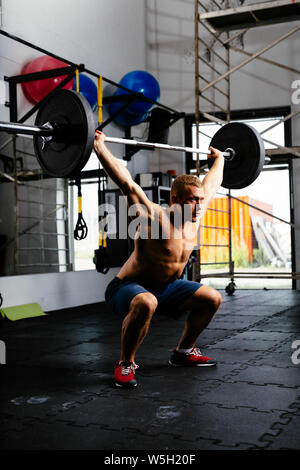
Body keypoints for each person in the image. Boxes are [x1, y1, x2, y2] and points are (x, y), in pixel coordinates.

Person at [94, 130, 224, 388]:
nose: (199, 207)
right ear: (174, 199)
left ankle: (184, 352)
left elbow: (212, 183)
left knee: (212, 298)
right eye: (192, 201)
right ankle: (125, 364)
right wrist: (99, 147)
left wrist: (220, 159)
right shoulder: (153, 217)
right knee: (147, 301)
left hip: (167, 289)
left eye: (200, 201)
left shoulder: (196, 214)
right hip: (128, 288)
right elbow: (127, 184)